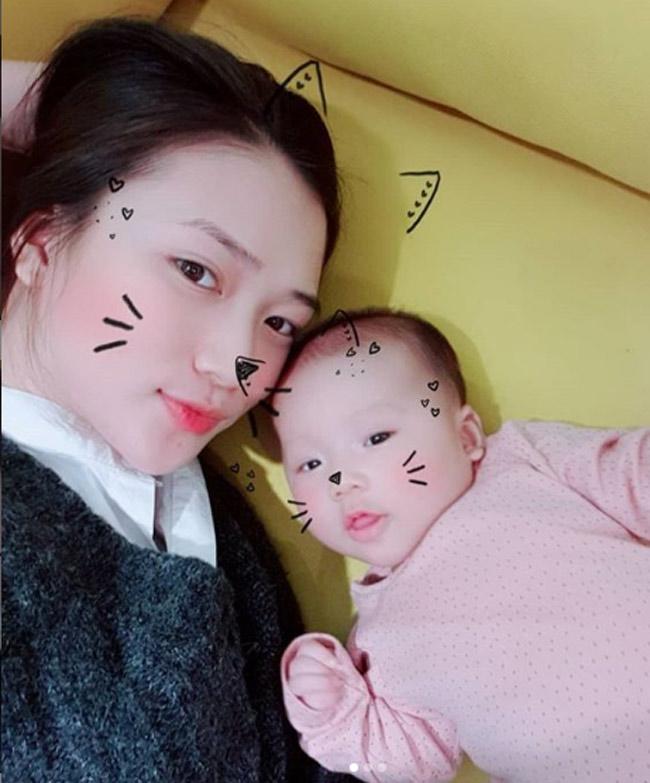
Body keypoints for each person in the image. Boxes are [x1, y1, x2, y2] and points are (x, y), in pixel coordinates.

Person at [1, 16, 357, 783]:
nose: (239, 367)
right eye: (196, 270)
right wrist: (58, 106)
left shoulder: (223, 521)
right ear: (39, 242)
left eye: (280, 322)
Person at [272, 307, 650, 783]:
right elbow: (412, 764)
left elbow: (631, 475)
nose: (341, 481)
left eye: (376, 437)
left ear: (466, 435)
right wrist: (333, 711)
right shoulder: (379, 635)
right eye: (310, 464)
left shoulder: (523, 462)